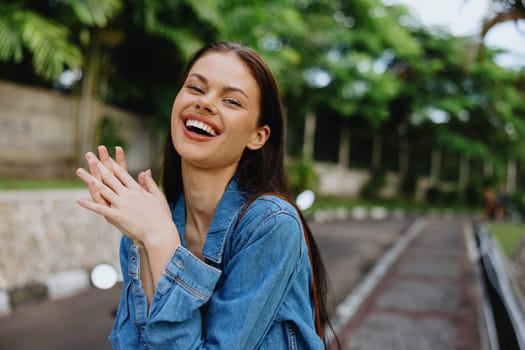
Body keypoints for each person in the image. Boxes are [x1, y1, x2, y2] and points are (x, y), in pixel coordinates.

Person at [76, 41, 338, 349]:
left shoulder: (270, 224)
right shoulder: (152, 222)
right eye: (196, 89)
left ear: (258, 136)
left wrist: (160, 241)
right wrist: (143, 241)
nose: (205, 103)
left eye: (231, 101)